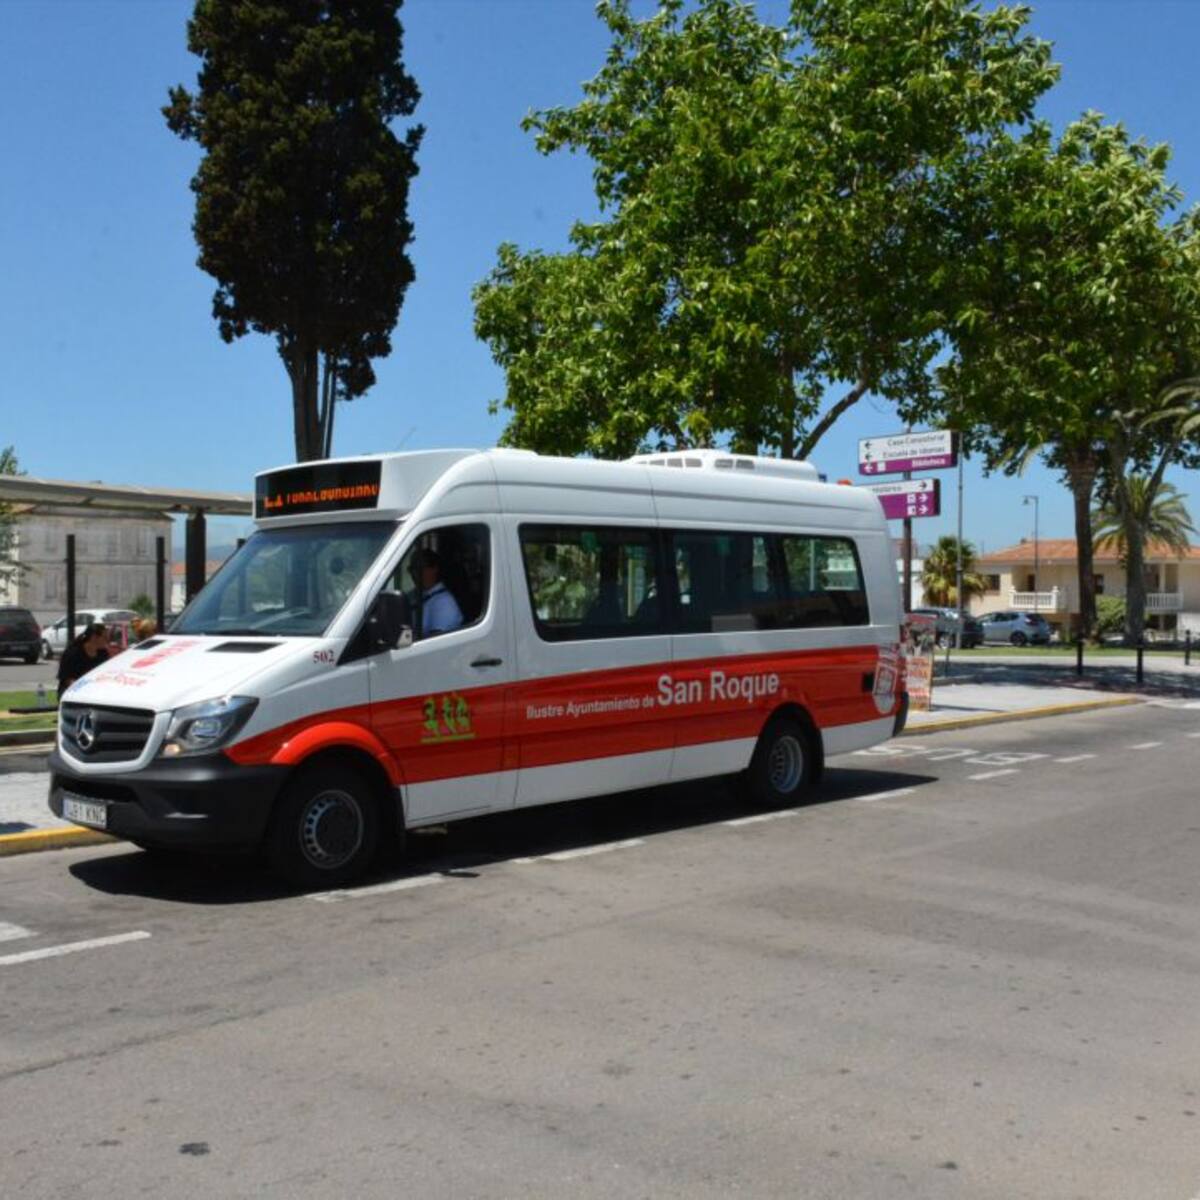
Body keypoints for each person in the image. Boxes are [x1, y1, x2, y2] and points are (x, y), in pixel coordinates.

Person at [408, 548, 463, 637]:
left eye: (419, 568)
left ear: (434, 569)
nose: (414, 574)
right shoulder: (413, 595)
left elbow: (435, 641)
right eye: (411, 569)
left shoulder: (444, 602)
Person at [57, 623, 110, 694]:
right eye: (105, 637)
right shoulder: (73, 652)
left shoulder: (103, 653)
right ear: (94, 637)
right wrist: (85, 691)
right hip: (71, 691)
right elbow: (67, 679)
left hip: (95, 690)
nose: (107, 641)